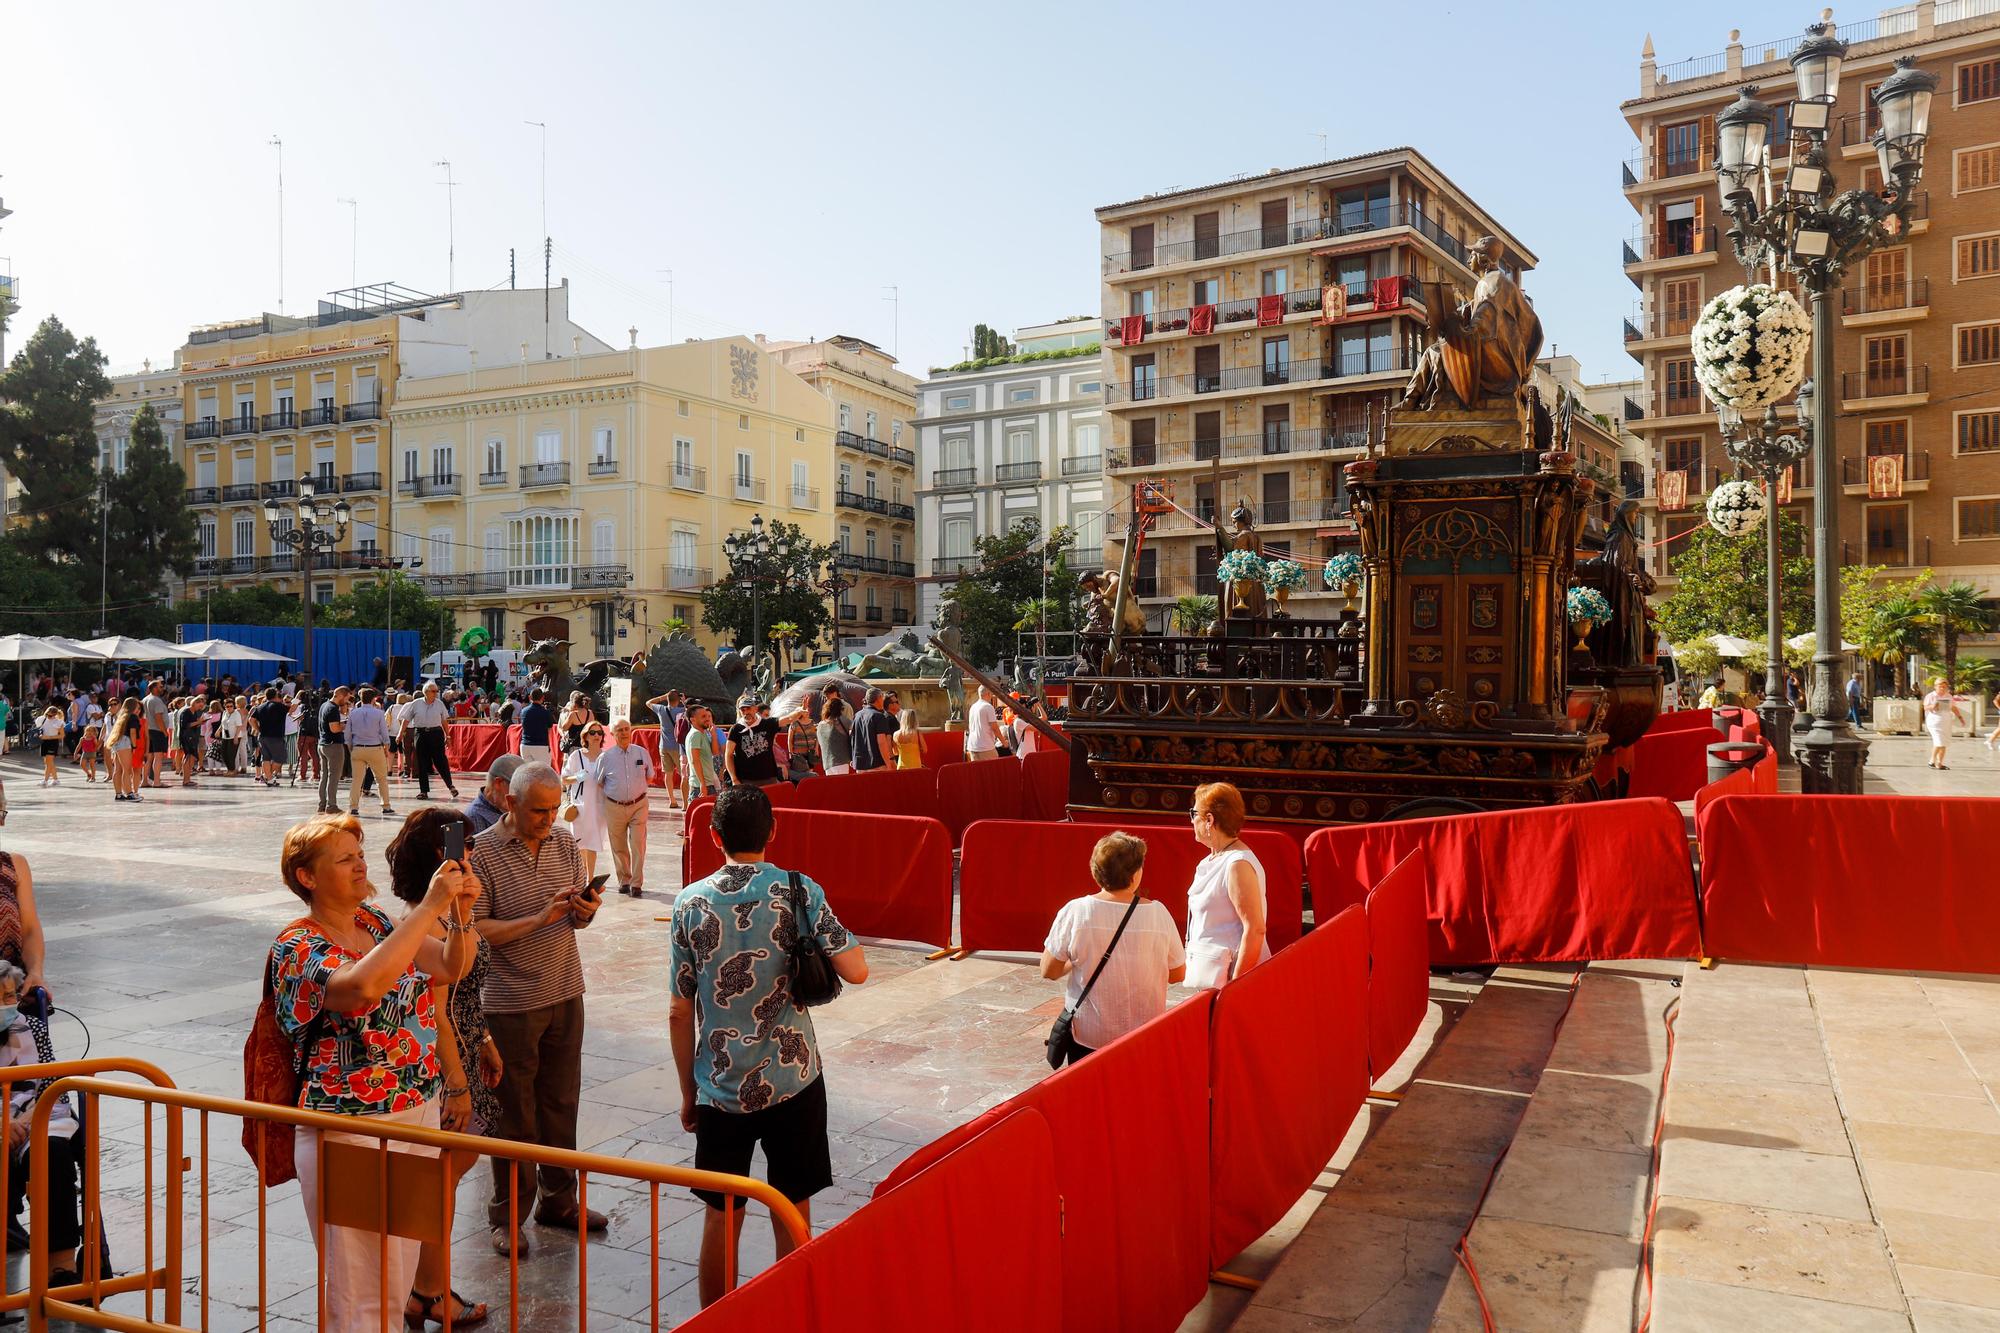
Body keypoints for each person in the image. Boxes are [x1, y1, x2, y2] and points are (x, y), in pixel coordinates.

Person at [270, 813, 479, 1333]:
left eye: (360, 854)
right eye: (344, 859)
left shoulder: (378, 923)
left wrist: (461, 914)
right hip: (350, 1127)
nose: (361, 865)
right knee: (361, 1281)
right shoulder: (296, 945)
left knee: (399, 1265)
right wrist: (430, 904)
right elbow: (360, 989)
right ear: (307, 877)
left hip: (415, 1110)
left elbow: (450, 968)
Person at [670, 787, 868, 1308]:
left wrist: (689, 1092)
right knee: (791, 1203)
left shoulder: (690, 903)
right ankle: (791, 1312)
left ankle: (716, 1319)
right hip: (792, 1077)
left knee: (721, 1211)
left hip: (719, 1083)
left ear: (713, 836)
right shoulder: (800, 892)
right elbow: (857, 970)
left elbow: (677, 1008)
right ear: (772, 832)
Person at [467, 762, 605, 1256]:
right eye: (539, 812)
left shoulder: (566, 844)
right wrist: (538, 917)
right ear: (510, 804)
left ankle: (558, 1200)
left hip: (565, 990)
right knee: (513, 1113)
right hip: (508, 1002)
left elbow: (575, 919)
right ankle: (507, 1216)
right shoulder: (480, 854)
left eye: (553, 810)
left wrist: (583, 911)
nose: (549, 819)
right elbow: (476, 931)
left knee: (561, 1103)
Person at [384, 810, 498, 1331]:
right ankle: (426, 1289)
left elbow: (465, 985)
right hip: (443, 1067)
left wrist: (487, 1039)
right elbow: (438, 1015)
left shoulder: (448, 913)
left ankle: (423, 1284)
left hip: (468, 1049)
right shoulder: (420, 921)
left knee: (445, 1180)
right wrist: (456, 1085)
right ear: (439, 856)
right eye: (464, 848)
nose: (472, 856)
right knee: (437, 1184)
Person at [1039, 832, 1186, 1063]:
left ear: (1095, 871)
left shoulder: (1076, 911)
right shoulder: (1159, 913)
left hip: (1089, 1035)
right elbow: (1177, 973)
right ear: (1135, 874)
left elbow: (1049, 970)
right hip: (1144, 1033)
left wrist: (1075, 962)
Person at [0, 961, 90, 1290]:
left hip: (30, 1117)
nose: (7, 1006)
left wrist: (24, 1120)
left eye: (11, 997)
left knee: (53, 1151)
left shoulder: (31, 1028)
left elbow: (50, 1087)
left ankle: (61, 1268)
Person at [1185, 781, 1270, 988]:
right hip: (1209, 976)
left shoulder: (1237, 864)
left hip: (1232, 980)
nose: (1191, 820)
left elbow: (1255, 928)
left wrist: (1235, 988)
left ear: (1209, 820)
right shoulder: (1210, 860)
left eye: (1194, 813)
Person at [593, 718, 656, 897]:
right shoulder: (605, 757)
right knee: (618, 845)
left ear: (631, 731)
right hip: (615, 806)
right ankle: (624, 880)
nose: (623, 733)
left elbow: (650, 776)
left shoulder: (642, 753)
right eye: (619, 730)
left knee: (638, 843)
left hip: (639, 805)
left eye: (626, 729)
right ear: (612, 734)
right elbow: (599, 782)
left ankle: (636, 883)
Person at [559, 722, 612, 881]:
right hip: (580, 806)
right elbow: (564, 779)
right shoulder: (577, 756)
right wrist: (576, 777)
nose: (596, 736)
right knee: (580, 843)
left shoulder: (606, 756)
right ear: (585, 736)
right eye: (593, 732)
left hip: (598, 806)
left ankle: (590, 878)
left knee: (593, 844)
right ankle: (581, 876)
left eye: (599, 733)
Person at [723, 695, 799, 789]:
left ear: (755, 709)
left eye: (748, 708)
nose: (746, 712)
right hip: (746, 780)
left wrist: (799, 712)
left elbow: (788, 719)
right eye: (743, 710)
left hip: (769, 778)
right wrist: (734, 779)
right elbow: (728, 754)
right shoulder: (736, 729)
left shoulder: (767, 723)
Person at [402, 682, 461, 802]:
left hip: (436, 733)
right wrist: (400, 733)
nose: (436, 693)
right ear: (426, 692)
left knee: (441, 761)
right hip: (421, 734)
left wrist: (448, 736)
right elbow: (406, 719)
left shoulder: (439, 704)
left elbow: (444, 721)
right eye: (434, 691)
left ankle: (450, 786)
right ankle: (423, 791)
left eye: (437, 691)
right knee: (422, 763)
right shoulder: (416, 704)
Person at [345, 687, 395, 816]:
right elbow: (384, 733)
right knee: (381, 779)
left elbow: (348, 734)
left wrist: (351, 747)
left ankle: (354, 807)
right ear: (373, 699)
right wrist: (386, 747)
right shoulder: (379, 713)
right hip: (375, 748)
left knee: (357, 780)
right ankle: (386, 806)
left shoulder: (353, 713)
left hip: (358, 748)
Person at [645, 689, 687, 810]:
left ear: (668, 699)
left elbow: (648, 702)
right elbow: (691, 710)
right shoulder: (681, 710)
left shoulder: (661, 709)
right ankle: (685, 802)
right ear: (678, 700)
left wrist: (663, 697)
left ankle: (671, 800)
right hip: (678, 747)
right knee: (684, 775)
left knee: (668, 773)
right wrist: (684, 702)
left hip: (664, 746)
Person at [463, 754, 526, 834]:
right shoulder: (474, 820)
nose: (521, 797)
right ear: (498, 783)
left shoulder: (510, 808)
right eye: (517, 789)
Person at [317, 687, 352, 815]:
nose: (347, 701)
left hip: (323, 744)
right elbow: (335, 728)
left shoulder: (324, 705)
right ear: (340, 696)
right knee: (334, 777)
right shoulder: (332, 709)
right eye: (347, 698)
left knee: (324, 776)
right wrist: (347, 724)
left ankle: (322, 804)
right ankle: (331, 806)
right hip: (333, 746)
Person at [1923, 676, 1966, 771]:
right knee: (1939, 742)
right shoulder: (1930, 696)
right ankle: (1931, 761)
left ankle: (1939, 763)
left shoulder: (1949, 696)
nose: (1942, 688)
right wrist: (1932, 706)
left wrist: (1960, 717)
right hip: (1934, 722)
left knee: (1944, 743)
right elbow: (1925, 707)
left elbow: (1953, 708)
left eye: (1944, 686)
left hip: (1946, 721)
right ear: (1935, 686)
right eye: (1940, 686)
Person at [850, 689, 896, 773]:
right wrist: (888, 763)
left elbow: (853, 738)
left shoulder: (857, 715)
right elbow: (882, 742)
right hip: (877, 764)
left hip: (860, 765)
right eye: (882, 697)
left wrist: (853, 759)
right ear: (879, 698)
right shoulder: (879, 716)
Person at [106, 698, 143, 802]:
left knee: (118, 769)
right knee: (127, 770)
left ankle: (118, 794)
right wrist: (134, 746)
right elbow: (133, 733)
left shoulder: (121, 715)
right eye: (137, 706)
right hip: (125, 742)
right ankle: (129, 793)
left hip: (117, 741)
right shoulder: (133, 717)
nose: (138, 709)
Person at [253, 688, 290, 788]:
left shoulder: (260, 706)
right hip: (275, 736)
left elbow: (251, 719)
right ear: (276, 696)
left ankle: (269, 779)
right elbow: (291, 709)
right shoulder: (279, 706)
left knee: (266, 758)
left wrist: (258, 729)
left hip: (263, 736)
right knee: (281, 758)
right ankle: (266, 776)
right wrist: (296, 700)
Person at [684, 705, 721, 799]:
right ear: (693, 720)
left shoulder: (703, 733)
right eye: (703, 717)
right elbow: (695, 760)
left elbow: (715, 752)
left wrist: (713, 735)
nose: (707, 719)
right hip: (700, 786)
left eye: (708, 716)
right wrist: (702, 784)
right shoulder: (696, 734)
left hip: (707, 783)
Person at [141, 680, 171, 789]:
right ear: (154, 688)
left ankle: (144, 780)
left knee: (149, 758)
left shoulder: (144, 700)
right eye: (160, 686)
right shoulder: (157, 701)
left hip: (147, 731)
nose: (162, 688)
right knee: (158, 757)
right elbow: (158, 718)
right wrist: (164, 731)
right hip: (157, 731)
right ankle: (157, 781)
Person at [816, 696, 854, 776]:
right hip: (842, 761)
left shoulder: (820, 725)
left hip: (826, 763)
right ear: (840, 709)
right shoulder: (843, 721)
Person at [964, 686, 1002, 762]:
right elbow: (995, 728)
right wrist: (1004, 742)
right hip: (985, 746)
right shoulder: (988, 707)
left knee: (977, 772)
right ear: (988, 694)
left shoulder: (973, 707)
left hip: (972, 746)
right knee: (991, 772)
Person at [518, 690, 554, 767]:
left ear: (530, 697)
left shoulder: (524, 711)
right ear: (543, 698)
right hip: (541, 746)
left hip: (525, 745)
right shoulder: (545, 712)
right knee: (544, 772)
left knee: (528, 773)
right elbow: (549, 730)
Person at [35, 706, 63, 787]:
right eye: (47, 714)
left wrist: (49, 737)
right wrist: (41, 735)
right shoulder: (42, 719)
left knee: (49, 762)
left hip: (53, 742)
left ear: (55, 715)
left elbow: (62, 735)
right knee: (47, 762)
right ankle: (56, 779)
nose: (48, 717)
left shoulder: (58, 722)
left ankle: (45, 780)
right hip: (44, 742)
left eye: (50, 716)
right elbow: (39, 729)